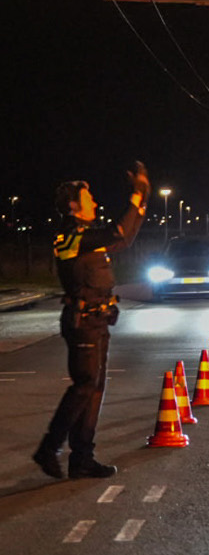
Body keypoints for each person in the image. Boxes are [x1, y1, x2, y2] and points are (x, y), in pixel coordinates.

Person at [34, 162, 149, 480]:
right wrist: (138, 194)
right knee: (84, 385)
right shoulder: (69, 237)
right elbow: (117, 232)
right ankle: (48, 448)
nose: (95, 203)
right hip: (82, 321)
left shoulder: (86, 236)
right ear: (73, 206)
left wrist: (141, 199)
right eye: (89, 199)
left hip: (98, 321)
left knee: (94, 388)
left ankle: (82, 458)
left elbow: (123, 239)